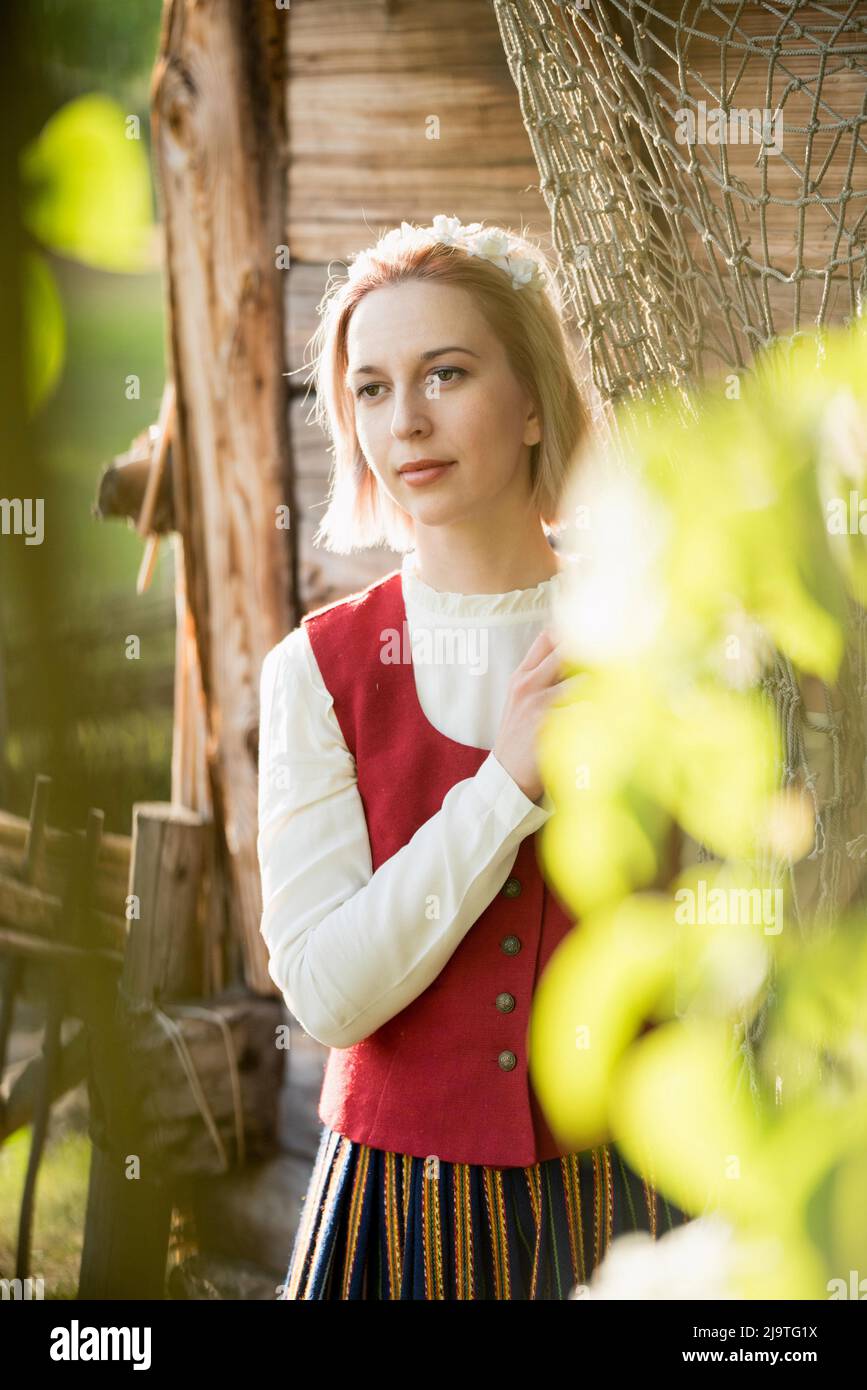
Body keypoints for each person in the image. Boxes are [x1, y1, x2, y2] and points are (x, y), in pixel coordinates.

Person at [256, 214, 690, 1301]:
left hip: (627, 1198)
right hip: (400, 1215)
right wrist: (503, 788)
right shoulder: (316, 671)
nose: (406, 421)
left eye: (445, 372)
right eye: (370, 388)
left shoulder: (653, 620)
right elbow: (324, 993)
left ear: (535, 399)